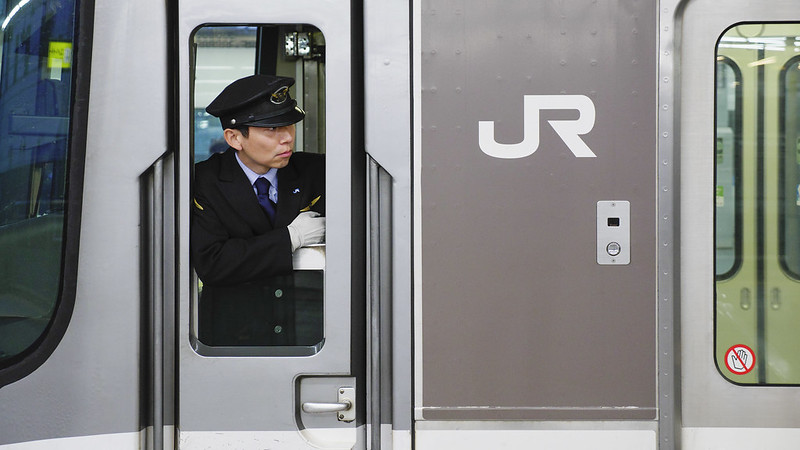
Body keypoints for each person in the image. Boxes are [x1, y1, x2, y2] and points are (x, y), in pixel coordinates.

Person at [191, 74, 325, 347]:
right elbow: (213, 262)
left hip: (307, 330)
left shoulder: (317, 172)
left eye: (289, 125)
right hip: (235, 336)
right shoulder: (206, 181)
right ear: (234, 138)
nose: (286, 138)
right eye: (272, 130)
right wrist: (291, 238)